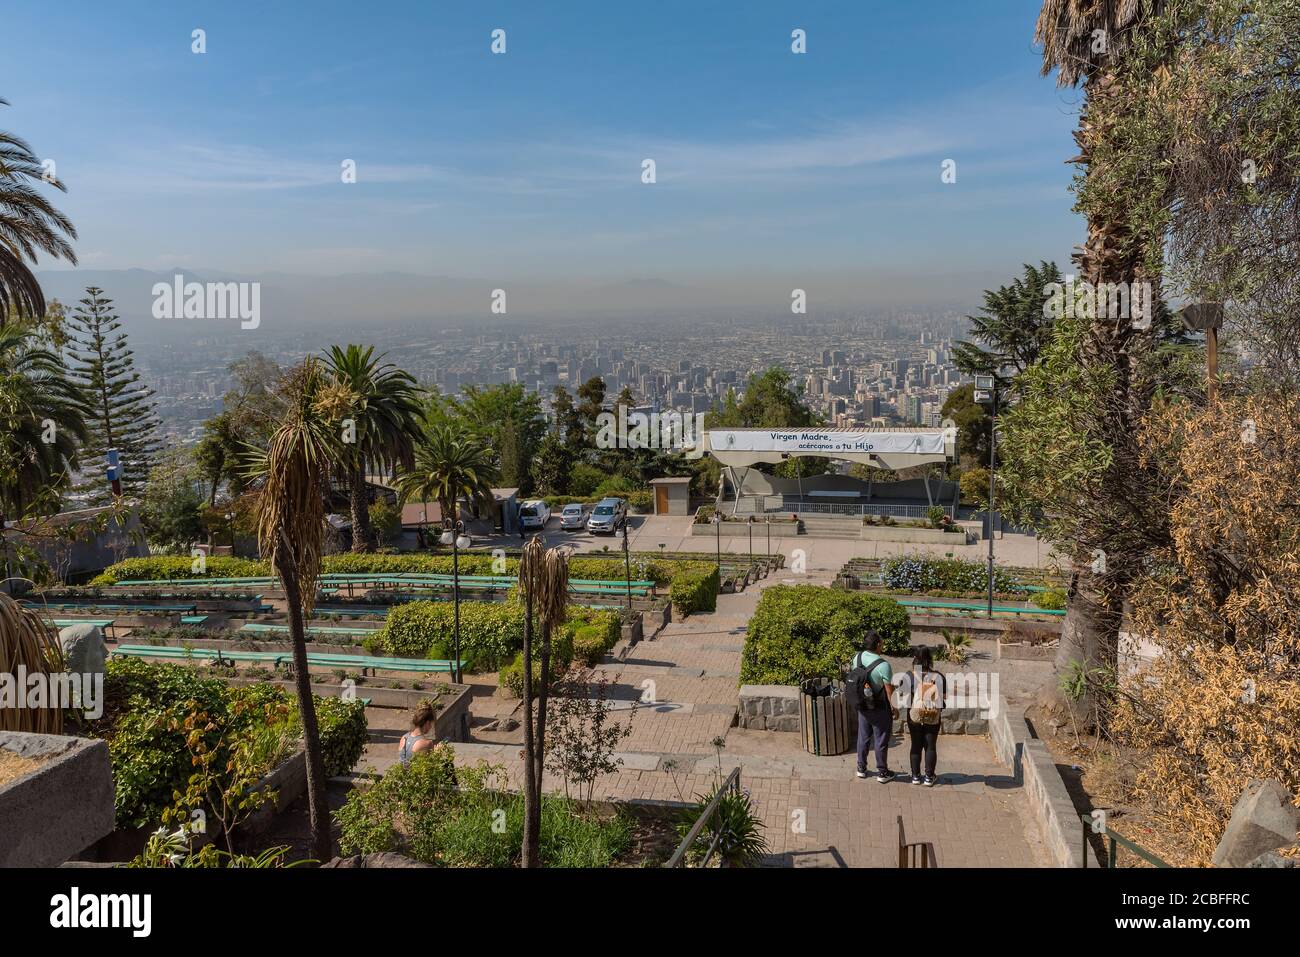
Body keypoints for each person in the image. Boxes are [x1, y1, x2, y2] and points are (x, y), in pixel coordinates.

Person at [849, 630, 896, 782]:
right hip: (879, 707)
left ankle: (861, 768)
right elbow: (889, 692)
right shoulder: (884, 665)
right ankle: (882, 772)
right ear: (877, 645)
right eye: (881, 643)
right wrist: (894, 709)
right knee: (881, 739)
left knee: (863, 737)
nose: (882, 645)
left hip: (862, 705)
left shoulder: (857, 657)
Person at [899, 647, 945, 786]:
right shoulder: (938, 676)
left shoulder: (909, 675)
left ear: (915, 659)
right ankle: (929, 777)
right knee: (930, 746)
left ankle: (915, 776)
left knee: (915, 745)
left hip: (914, 716)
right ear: (929, 659)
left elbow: (901, 694)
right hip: (933, 716)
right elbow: (944, 697)